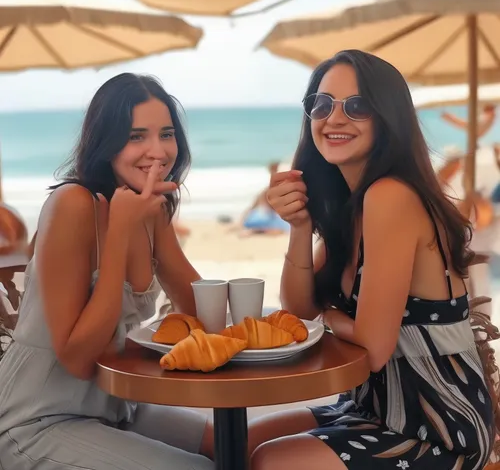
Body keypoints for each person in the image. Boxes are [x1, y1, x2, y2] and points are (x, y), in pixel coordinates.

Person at [248, 50, 495, 470]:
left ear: (387, 118)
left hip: (438, 426)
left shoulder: (391, 197)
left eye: (357, 106)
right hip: (373, 408)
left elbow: (373, 347)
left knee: (272, 461)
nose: (334, 118)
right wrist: (300, 226)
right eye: (322, 105)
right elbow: (298, 309)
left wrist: (328, 317)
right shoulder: (353, 204)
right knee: (230, 440)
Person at [0, 73, 214, 470]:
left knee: (237, 444)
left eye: (166, 134)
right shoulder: (72, 205)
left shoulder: (150, 208)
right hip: (34, 421)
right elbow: (79, 360)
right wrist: (119, 235)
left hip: (115, 408)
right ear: (107, 142)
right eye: (136, 137)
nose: (158, 151)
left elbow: (199, 308)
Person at [237, 161, 291, 237]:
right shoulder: (270, 190)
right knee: (281, 228)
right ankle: (254, 231)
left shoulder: (267, 190)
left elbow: (253, 206)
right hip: (267, 217)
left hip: (262, 217)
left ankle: (252, 231)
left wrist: (243, 218)